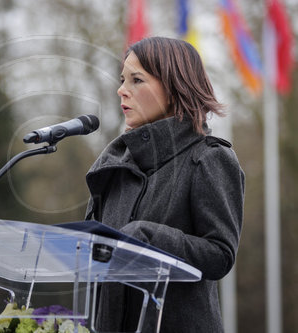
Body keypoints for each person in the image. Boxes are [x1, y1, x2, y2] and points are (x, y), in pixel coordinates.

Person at [84, 37, 245, 332]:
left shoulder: (209, 158)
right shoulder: (114, 167)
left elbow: (220, 254)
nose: (122, 90)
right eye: (122, 80)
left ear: (173, 88)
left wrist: (149, 236)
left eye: (136, 80)